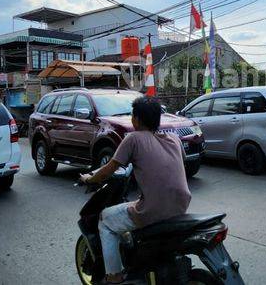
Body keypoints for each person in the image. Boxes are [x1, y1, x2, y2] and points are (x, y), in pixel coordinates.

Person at [79, 96, 192, 284]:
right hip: (180, 208)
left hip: (153, 211)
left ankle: (114, 276)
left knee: (105, 220)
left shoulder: (133, 139)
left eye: (132, 115)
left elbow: (109, 169)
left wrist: (89, 178)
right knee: (132, 206)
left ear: (137, 119)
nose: (131, 118)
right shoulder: (174, 138)